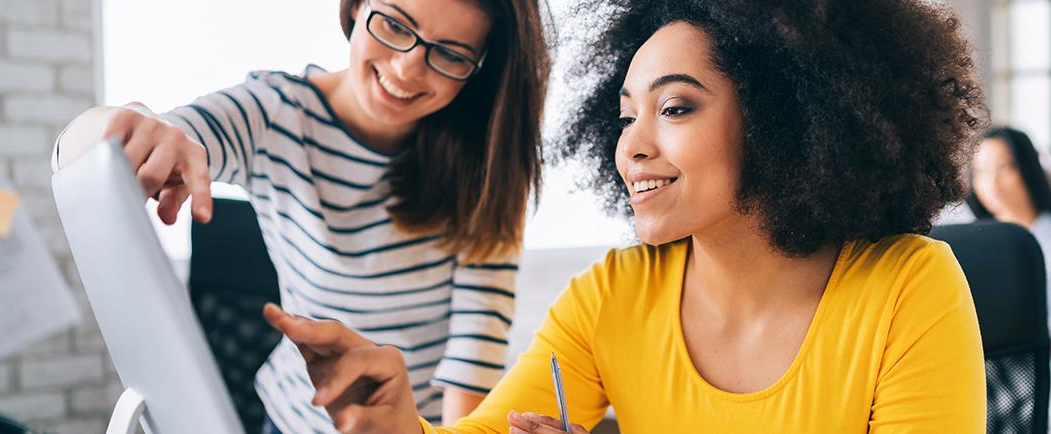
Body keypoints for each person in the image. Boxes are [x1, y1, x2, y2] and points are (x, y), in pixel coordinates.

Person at [264, 0, 989, 432]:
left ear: (782, 120)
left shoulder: (909, 289)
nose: (632, 148)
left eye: (675, 108)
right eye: (623, 115)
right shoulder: (613, 297)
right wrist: (399, 425)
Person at [51, 0, 550, 430]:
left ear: (481, 68)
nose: (406, 69)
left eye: (448, 55)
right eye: (395, 24)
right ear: (356, 7)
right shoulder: (276, 115)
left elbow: (472, 362)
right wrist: (117, 130)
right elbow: (112, 144)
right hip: (291, 419)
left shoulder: (487, 165)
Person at [967, 126, 1051, 351]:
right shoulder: (972, 243)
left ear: (1028, 169)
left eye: (1004, 168)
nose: (992, 183)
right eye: (981, 171)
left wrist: (1007, 319)